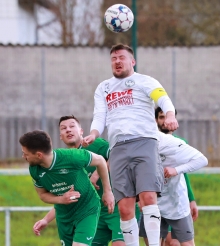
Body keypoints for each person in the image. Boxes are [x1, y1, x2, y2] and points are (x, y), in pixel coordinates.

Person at [83, 43, 179, 246]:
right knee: (125, 207)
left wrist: (170, 115)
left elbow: (163, 99)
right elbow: (100, 116)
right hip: (117, 148)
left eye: (121, 57)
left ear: (132, 61)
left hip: (144, 142)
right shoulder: (104, 87)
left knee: (148, 198)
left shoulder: (145, 81)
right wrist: (93, 133)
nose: (117, 61)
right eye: (113, 58)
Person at [32, 115, 126, 246]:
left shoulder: (96, 144)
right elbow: (68, 196)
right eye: (63, 128)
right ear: (60, 136)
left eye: (72, 126)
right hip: (93, 213)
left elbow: (119, 154)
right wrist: (46, 220)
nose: (68, 130)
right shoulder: (66, 161)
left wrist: (97, 174)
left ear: (81, 131)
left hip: (117, 206)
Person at [19, 130, 115, 246]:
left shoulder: (71, 157)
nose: (23, 156)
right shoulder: (34, 169)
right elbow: (42, 195)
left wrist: (108, 192)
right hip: (64, 216)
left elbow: (100, 160)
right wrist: (61, 200)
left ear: (39, 155)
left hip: (87, 209)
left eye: (26, 154)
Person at [154, 107, 199, 246]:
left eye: (166, 117)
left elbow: (182, 173)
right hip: (156, 201)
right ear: (155, 120)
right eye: (161, 117)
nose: (164, 122)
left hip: (176, 201)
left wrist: (191, 199)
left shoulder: (180, 142)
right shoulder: (150, 143)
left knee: (175, 242)